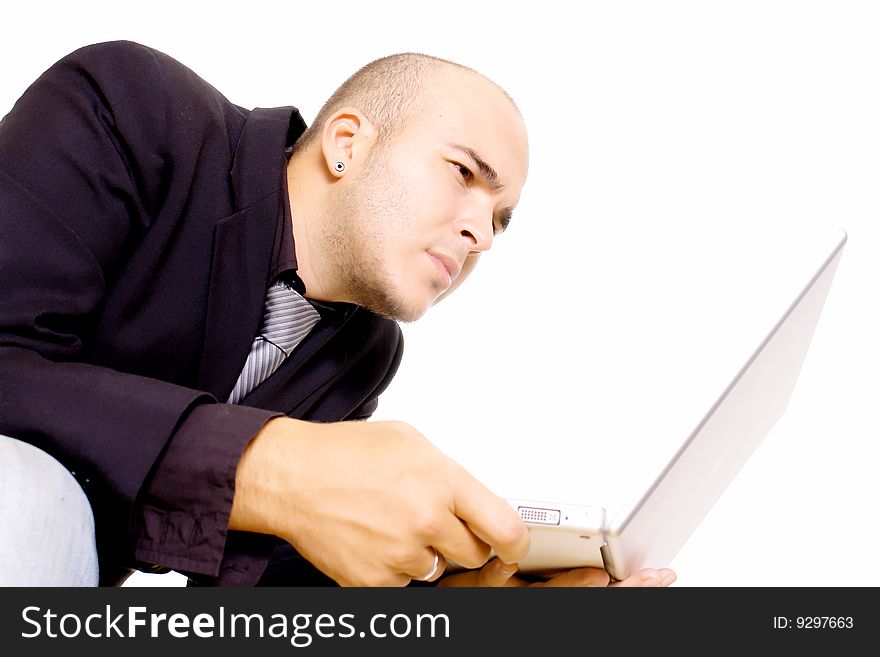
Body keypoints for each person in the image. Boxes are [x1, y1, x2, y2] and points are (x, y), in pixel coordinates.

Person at [0, 40, 676, 589]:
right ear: (347, 142)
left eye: (501, 219)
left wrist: (451, 598)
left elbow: (259, 576)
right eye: (465, 174)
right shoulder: (133, 104)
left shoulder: (364, 354)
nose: (483, 235)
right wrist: (277, 465)